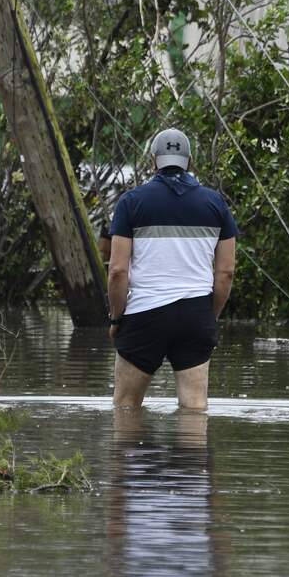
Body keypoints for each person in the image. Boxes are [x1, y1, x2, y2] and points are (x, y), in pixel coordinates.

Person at [107, 127, 237, 410]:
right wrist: (208, 315)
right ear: (189, 162)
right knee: (194, 408)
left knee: (125, 407)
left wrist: (117, 319)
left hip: (144, 314)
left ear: (154, 160)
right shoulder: (216, 204)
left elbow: (117, 270)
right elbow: (226, 272)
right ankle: (190, 455)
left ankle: (131, 449)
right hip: (196, 314)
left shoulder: (131, 203)